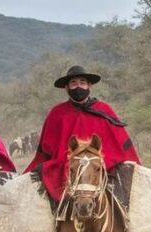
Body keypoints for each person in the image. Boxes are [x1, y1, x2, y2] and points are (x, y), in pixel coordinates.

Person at [24, 66, 141, 202]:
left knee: (127, 194)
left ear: (89, 85)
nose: (78, 86)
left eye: (82, 82)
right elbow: (47, 148)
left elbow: (120, 142)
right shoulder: (57, 113)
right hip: (66, 165)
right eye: (73, 83)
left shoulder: (104, 109)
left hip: (103, 164)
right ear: (66, 88)